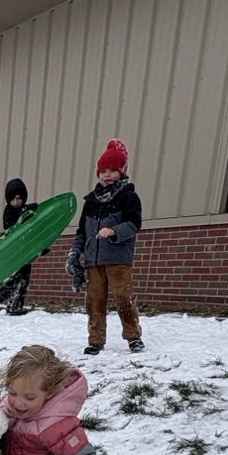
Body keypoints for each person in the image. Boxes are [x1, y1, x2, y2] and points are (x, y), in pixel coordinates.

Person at [65, 138, 144, 355]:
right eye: (103, 171)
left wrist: (115, 231)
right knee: (94, 301)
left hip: (118, 258)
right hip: (93, 261)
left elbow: (134, 223)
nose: (106, 174)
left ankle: (133, 336)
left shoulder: (128, 196)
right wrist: (75, 253)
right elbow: (82, 232)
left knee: (123, 297)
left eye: (112, 170)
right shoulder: (91, 202)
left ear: (122, 172)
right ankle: (96, 339)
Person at [0, 178, 48, 316]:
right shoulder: (9, 212)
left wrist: (39, 248)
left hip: (25, 250)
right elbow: (14, 227)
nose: (16, 202)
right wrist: (25, 212)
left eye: (19, 198)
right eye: (12, 199)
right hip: (14, 252)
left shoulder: (25, 211)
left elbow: (32, 232)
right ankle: (13, 306)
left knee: (21, 278)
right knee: (20, 278)